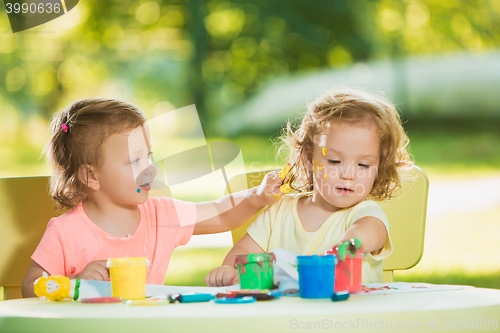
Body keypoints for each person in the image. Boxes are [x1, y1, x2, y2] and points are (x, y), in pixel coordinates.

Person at [22, 98, 283, 297]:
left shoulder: (161, 215)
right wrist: (77, 282)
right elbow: (30, 287)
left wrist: (257, 197)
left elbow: (219, 213)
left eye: (149, 155)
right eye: (134, 160)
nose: (150, 168)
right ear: (92, 176)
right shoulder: (65, 233)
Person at [205, 87, 413, 287]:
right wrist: (230, 271)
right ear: (309, 159)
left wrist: (350, 244)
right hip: (285, 318)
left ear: (379, 168)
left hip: (350, 318)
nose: (348, 174)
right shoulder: (278, 211)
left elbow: (370, 233)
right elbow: (244, 252)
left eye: (364, 165)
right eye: (334, 161)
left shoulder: (363, 213)